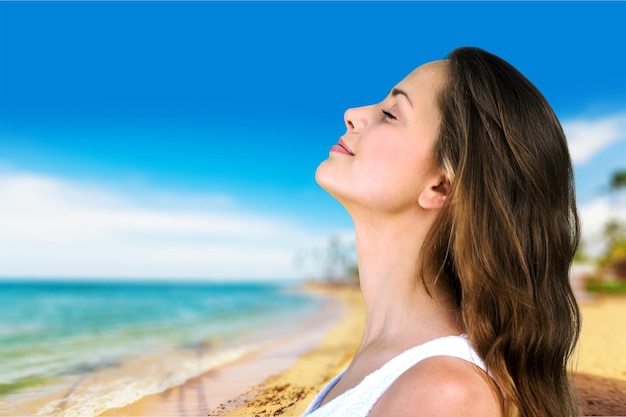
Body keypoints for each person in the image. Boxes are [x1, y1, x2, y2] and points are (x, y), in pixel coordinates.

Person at [302, 47, 581, 417]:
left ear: (442, 187)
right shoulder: (394, 366)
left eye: (390, 114)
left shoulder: (442, 394)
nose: (353, 114)